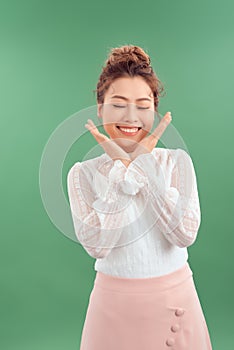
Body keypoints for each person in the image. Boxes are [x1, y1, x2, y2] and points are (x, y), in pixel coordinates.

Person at [67, 44, 213, 349]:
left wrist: (143, 164)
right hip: (112, 307)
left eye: (143, 105)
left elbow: (184, 234)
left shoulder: (177, 163)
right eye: (118, 104)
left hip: (175, 299)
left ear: (154, 109)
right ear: (99, 107)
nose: (131, 116)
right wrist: (122, 170)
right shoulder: (82, 174)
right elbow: (98, 246)